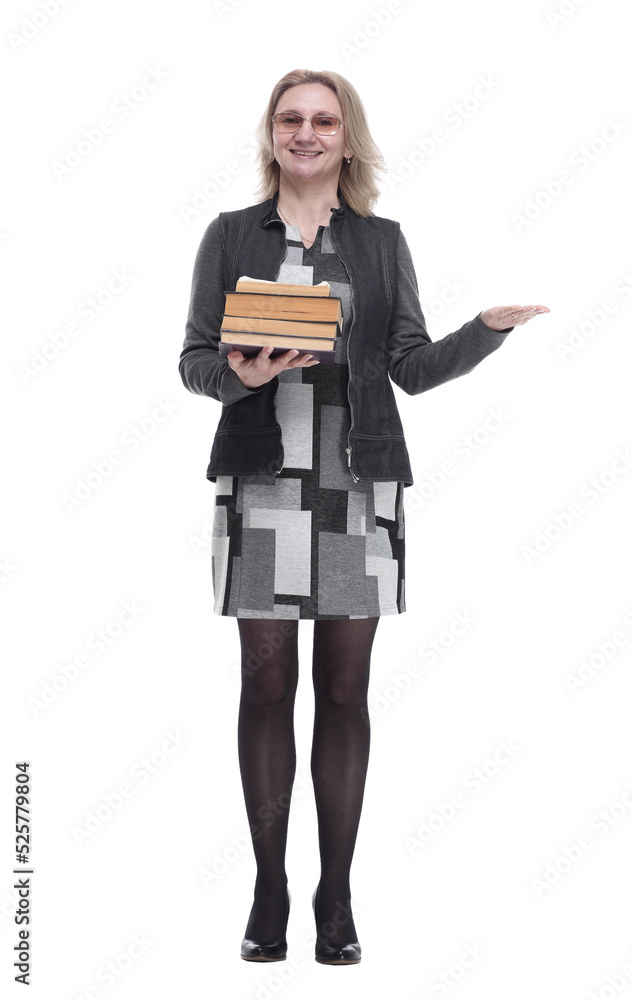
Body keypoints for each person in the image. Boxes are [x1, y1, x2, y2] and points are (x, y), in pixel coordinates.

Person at [179, 68, 548, 966]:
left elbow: (411, 367)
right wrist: (248, 376)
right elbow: (196, 362)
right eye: (291, 118)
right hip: (263, 483)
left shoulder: (381, 244)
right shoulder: (231, 236)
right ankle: (269, 884)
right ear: (272, 134)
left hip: (356, 487)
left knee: (345, 692)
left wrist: (483, 332)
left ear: (348, 138)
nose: (307, 132)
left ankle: (334, 892)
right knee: (265, 688)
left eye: (324, 120)